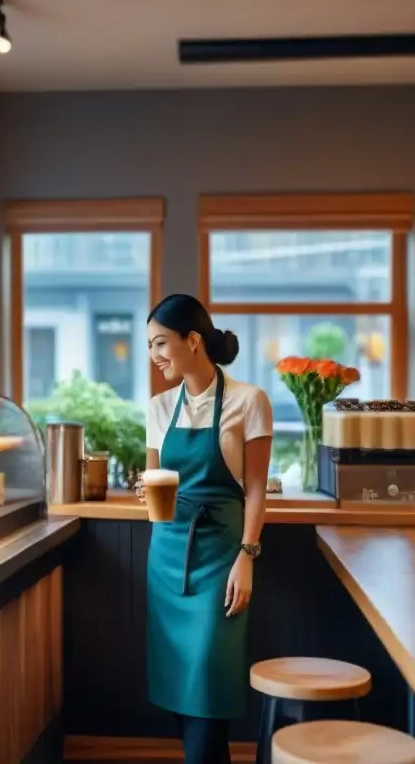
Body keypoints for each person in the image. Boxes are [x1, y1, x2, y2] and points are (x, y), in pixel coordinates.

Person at [136, 294, 273, 764]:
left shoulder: (248, 401)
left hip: (222, 554)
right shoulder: (158, 408)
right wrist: (144, 491)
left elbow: (255, 489)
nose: (153, 356)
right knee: (179, 680)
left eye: (159, 343)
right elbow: (155, 479)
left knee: (209, 678)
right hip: (167, 554)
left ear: (192, 341)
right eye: (150, 346)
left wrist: (247, 556)